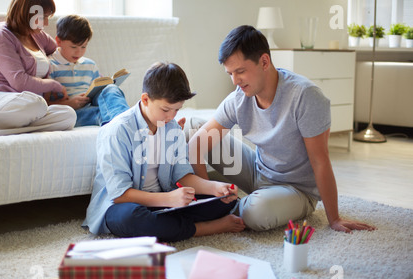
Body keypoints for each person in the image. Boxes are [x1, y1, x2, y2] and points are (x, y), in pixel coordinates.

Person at [188, 25, 376, 234]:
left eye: (240, 71)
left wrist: (334, 218)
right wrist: (207, 193)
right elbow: (197, 145)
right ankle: (219, 202)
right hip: (258, 171)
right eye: (230, 73)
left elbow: (320, 161)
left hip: (296, 190)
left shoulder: (305, 96)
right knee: (193, 130)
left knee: (255, 213)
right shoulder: (238, 98)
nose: (235, 81)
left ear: (264, 62)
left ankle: (238, 204)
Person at [83, 62, 245, 242]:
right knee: (131, 219)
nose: (171, 117)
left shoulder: (172, 128)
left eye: (177, 109)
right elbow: (121, 194)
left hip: (165, 201)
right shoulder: (116, 131)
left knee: (221, 202)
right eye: (166, 109)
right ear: (145, 99)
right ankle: (201, 228)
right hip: (125, 204)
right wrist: (168, 199)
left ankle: (167, 227)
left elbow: (182, 176)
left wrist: (215, 187)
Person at [0, 0, 76, 138]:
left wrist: (86, 68)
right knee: (36, 104)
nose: (46, 23)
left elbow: (59, 53)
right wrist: (54, 85)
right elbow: (19, 82)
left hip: (27, 107)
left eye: (48, 17)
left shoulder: (37, 35)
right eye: (42, 17)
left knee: (68, 115)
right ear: (27, 14)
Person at [47, 15, 129, 127]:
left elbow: (97, 91)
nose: (79, 53)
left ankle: (127, 120)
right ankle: (123, 125)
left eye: (83, 47)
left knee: (112, 89)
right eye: (74, 47)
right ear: (59, 41)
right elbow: (45, 103)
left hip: (90, 103)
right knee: (99, 113)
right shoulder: (50, 65)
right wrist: (70, 104)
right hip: (72, 111)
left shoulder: (90, 65)